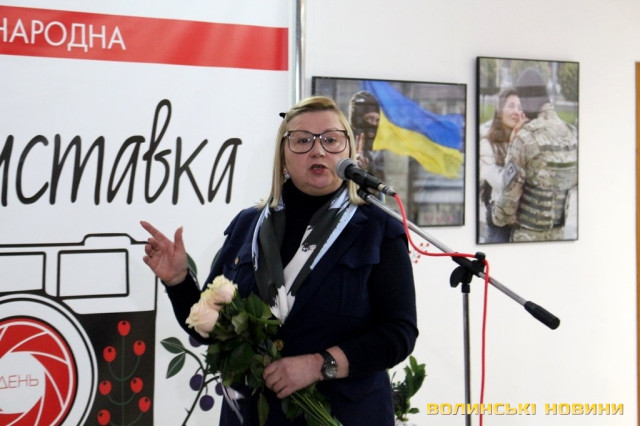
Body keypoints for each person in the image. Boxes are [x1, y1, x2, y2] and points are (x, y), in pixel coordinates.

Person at [141, 95, 418, 425]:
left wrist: (319, 365)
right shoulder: (248, 225)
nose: (318, 150)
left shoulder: (378, 228)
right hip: (253, 415)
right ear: (283, 158)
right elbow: (212, 330)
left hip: (345, 414)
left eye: (331, 139)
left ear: (348, 152)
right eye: (302, 140)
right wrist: (178, 282)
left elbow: (398, 334)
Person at [492, 68, 578, 242]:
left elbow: (509, 200)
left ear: (526, 98)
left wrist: (496, 217)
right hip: (559, 238)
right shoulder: (571, 133)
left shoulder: (526, 138)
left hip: (527, 237)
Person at [478, 88, 526, 243]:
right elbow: (502, 183)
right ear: (499, 110)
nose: (516, 111)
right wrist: (513, 144)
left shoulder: (526, 143)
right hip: (500, 227)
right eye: (511, 106)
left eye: (520, 107)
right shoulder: (486, 144)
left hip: (523, 226)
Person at [348, 90, 385, 181]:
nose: (374, 124)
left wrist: (365, 170)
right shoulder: (342, 145)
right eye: (370, 118)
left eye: (377, 120)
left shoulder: (378, 151)